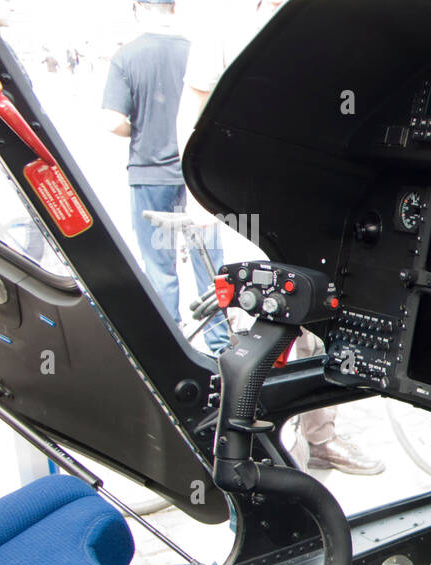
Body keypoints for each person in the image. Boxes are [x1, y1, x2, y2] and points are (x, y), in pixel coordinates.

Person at [184, 0, 384, 475]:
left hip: (315, 209)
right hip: (248, 212)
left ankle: (319, 436)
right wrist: (202, 196)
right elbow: (197, 109)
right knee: (265, 325)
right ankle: (267, 456)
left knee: (322, 330)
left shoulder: (334, 28)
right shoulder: (229, 26)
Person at [102, 0, 229, 354]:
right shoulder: (198, 53)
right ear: (173, 8)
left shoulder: (127, 55)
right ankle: (220, 343)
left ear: (139, 8)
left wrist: (140, 130)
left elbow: (112, 121)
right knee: (209, 261)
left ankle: (169, 344)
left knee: (159, 264)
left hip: (150, 173)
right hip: (199, 175)